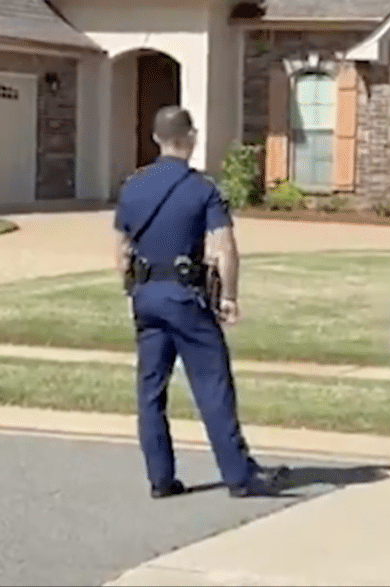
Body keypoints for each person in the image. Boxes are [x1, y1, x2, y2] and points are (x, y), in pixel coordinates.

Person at [114, 105, 288, 499]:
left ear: (156, 139)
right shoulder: (201, 188)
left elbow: (121, 250)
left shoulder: (132, 186)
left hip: (146, 295)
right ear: (189, 137)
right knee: (213, 385)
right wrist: (229, 296)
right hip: (185, 296)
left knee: (151, 390)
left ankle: (161, 478)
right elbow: (224, 246)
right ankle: (238, 475)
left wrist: (132, 291)